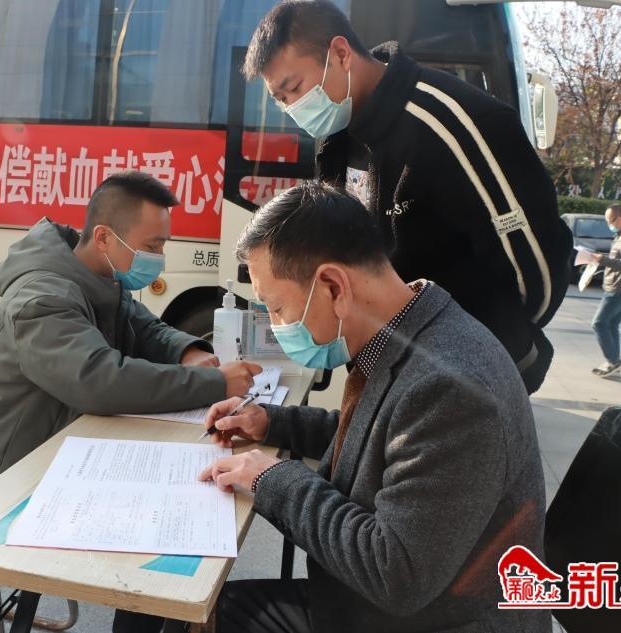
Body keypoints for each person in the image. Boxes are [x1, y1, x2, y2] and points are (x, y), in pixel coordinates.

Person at [199, 182, 549, 633]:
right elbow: (380, 435)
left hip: (423, 620)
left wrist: (271, 478)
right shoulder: (413, 332)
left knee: (206, 615)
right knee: (210, 609)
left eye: (278, 307)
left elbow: (395, 572)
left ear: (333, 285)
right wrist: (272, 422)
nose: (277, 326)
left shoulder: (451, 389)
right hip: (373, 605)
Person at [0, 171, 261, 633]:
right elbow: (99, 381)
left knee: (170, 521)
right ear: (104, 237)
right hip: (9, 479)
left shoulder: (99, 275)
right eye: (153, 245)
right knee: (159, 535)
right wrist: (214, 384)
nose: (158, 258)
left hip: (67, 454)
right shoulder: (41, 297)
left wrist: (188, 352)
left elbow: (144, 328)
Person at [243, 0, 573, 394]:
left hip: (470, 374)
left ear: (341, 54)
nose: (292, 107)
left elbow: (537, 270)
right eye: (281, 99)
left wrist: (496, 340)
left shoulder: (453, 123)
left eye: (294, 88)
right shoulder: (336, 137)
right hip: (394, 363)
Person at [589, 204, 621, 379]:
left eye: (611, 220)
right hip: (616, 286)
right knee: (611, 325)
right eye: (607, 221)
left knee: (598, 323)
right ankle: (614, 362)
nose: (609, 224)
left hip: (618, 289)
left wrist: (603, 260)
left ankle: (613, 360)